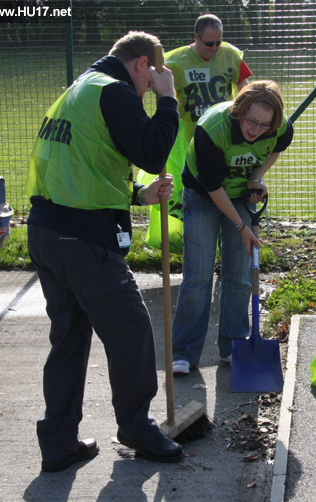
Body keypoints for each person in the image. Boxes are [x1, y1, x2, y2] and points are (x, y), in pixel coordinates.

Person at [24, 31, 185, 472]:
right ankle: (134, 425)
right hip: (82, 239)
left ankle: (58, 441)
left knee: (70, 340)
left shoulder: (79, 90)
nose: (151, 86)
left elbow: (83, 163)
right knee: (131, 332)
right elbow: (153, 151)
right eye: (152, 78)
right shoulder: (114, 91)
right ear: (141, 65)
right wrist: (167, 101)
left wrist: (137, 195)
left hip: (46, 231)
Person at [171, 80, 294, 375]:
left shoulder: (280, 128)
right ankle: (184, 353)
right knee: (198, 275)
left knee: (239, 273)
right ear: (239, 111)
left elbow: (278, 146)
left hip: (238, 192)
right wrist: (241, 226)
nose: (256, 130)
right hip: (203, 193)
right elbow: (213, 185)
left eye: (264, 125)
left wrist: (256, 177)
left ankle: (233, 345)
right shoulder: (212, 128)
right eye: (251, 121)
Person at [165, 13, 253, 143]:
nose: (215, 48)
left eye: (218, 42)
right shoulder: (175, 61)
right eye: (209, 43)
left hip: (223, 129)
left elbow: (245, 89)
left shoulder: (230, 55)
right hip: (190, 133)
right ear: (197, 37)